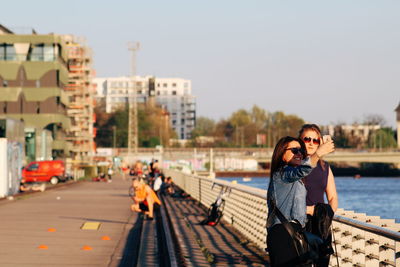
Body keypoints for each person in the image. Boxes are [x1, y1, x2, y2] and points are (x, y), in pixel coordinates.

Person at [267, 136, 334, 267]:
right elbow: (302, 170)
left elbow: (292, 206)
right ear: (282, 154)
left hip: (294, 233)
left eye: (300, 151)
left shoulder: (294, 179)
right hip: (283, 235)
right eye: (294, 150)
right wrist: (318, 153)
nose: (299, 153)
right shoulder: (281, 174)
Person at [299, 124, 338, 266]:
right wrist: (308, 210)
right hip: (299, 224)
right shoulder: (296, 166)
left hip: (320, 225)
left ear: (320, 143)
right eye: (307, 139)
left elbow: (332, 197)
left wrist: (326, 216)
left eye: (315, 140)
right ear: (300, 141)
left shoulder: (325, 167)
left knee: (322, 262)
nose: (311, 143)